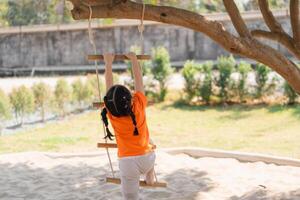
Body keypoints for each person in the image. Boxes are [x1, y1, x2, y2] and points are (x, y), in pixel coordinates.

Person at [101, 52, 156, 200]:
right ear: (131, 99)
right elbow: (139, 81)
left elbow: (108, 87)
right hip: (147, 159)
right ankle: (150, 174)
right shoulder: (138, 105)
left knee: (130, 197)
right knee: (151, 144)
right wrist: (133, 59)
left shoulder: (111, 114)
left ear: (111, 103)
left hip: (127, 163)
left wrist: (108, 63)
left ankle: (147, 174)